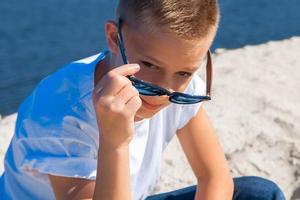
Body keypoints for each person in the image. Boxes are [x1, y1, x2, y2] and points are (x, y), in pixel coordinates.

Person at [0, 0, 285, 199]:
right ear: (114, 37)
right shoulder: (61, 116)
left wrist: (176, 76)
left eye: (185, 71)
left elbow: (214, 177)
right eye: (149, 65)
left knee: (260, 194)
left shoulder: (176, 85)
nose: (164, 90)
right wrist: (114, 144)